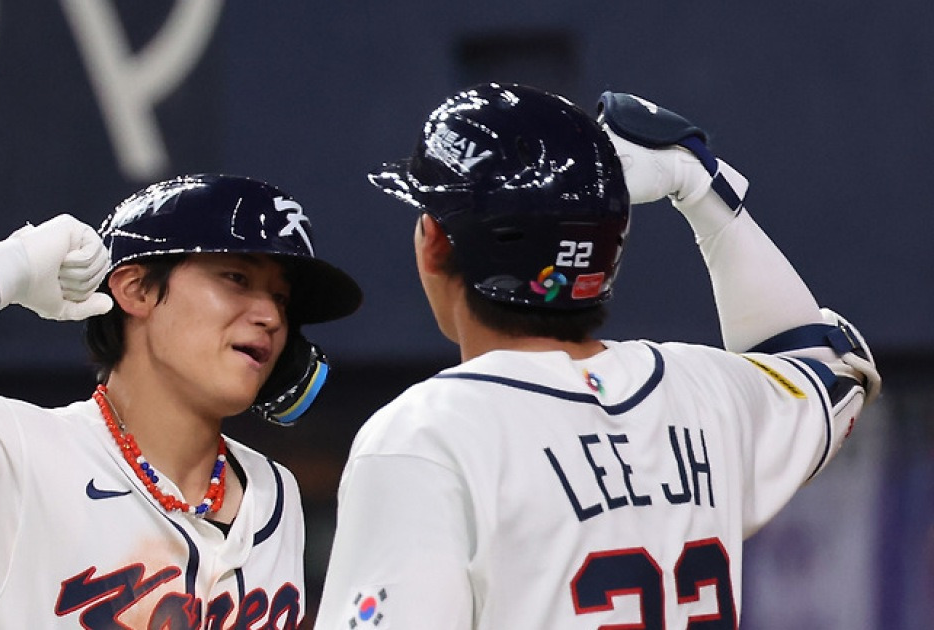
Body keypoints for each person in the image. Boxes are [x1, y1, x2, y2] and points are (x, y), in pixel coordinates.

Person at [313, 84, 880, 629]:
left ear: (435, 239)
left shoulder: (426, 437)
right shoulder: (701, 394)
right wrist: (703, 189)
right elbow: (832, 366)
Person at [0, 174, 362, 629]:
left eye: (281, 299)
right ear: (135, 288)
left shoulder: (275, 495)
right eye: (237, 277)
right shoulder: (15, 458)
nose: (269, 316)